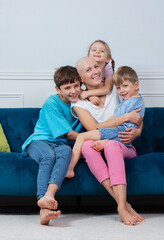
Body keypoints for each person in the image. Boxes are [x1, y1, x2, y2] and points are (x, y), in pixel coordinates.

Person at [67, 57, 144, 225]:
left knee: (111, 146)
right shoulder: (79, 104)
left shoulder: (115, 89)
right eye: (88, 70)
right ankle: (122, 204)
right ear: (80, 78)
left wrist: (137, 132)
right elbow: (95, 128)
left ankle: (121, 206)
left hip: (122, 144)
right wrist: (126, 116)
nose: (95, 71)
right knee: (86, 145)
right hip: (99, 142)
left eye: (96, 66)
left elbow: (137, 113)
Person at [22, 66, 84, 225]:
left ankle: (48, 199)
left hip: (59, 144)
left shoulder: (81, 102)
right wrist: (90, 138)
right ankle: (42, 199)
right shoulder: (52, 102)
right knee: (48, 156)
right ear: (58, 89)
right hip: (38, 141)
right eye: (67, 88)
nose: (73, 91)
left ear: (81, 84)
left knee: (65, 150)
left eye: (76, 86)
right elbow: (69, 134)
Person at [67, 66, 145, 177]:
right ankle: (106, 142)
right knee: (88, 142)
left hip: (119, 132)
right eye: (118, 88)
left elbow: (121, 119)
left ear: (136, 85)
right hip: (119, 133)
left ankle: (70, 168)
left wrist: (99, 126)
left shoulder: (127, 100)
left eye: (125, 86)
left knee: (82, 137)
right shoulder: (136, 99)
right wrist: (89, 95)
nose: (121, 90)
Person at [79, 40, 115, 105]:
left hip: (103, 96)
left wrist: (88, 93)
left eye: (102, 51)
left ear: (107, 59)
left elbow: (107, 89)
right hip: (90, 93)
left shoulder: (108, 69)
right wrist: (90, 96)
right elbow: (76, 87)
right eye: (94, 50)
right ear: (88, 56)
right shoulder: (83, 67)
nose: (97, 51)